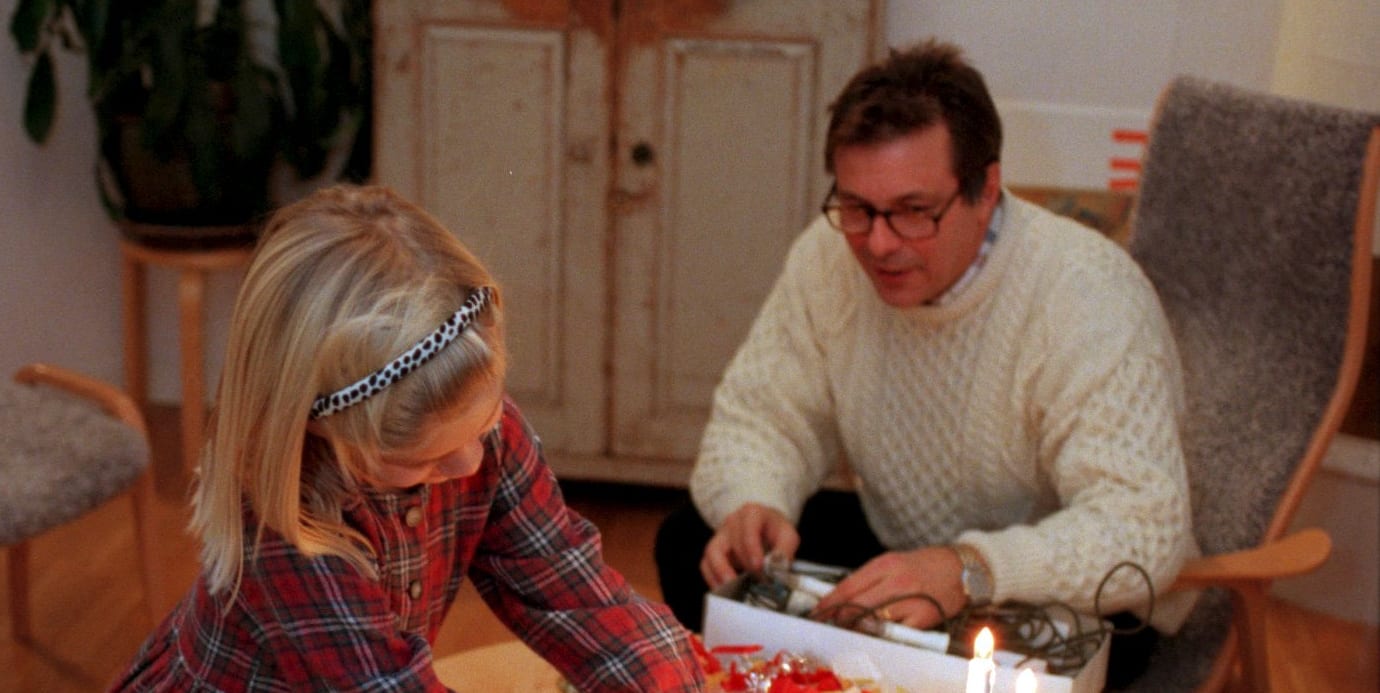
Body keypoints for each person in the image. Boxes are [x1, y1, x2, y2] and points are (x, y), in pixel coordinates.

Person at [655, 39, 1200, 687]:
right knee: (693, 541)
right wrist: (754, 499)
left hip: (1058, 594)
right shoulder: (828, 256)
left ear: (985, 189)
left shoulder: (1086, 293)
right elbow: (763, 415)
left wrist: (970, 569)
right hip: (910, 554)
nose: (879, 243)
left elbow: (1143, 527)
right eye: (857, 208)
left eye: (914, 211)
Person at [111, 184, 704, 692]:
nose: (470, 462)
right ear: (319, 426)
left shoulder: (471, 432)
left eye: (485, 424)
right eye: (424, 460)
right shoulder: (284, 529)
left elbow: (575, 595)